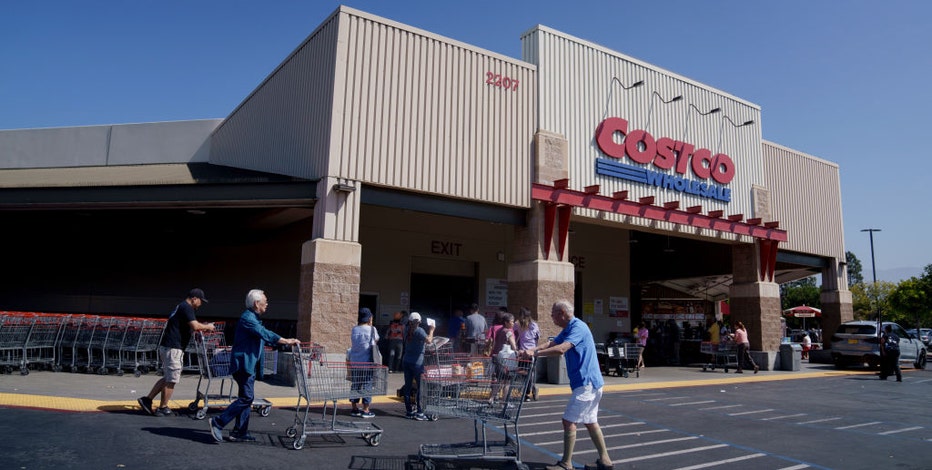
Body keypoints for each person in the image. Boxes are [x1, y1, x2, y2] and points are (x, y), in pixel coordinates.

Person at [525, 300, 612, 470]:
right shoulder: (569, 328)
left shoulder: (578, 327)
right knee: (590, 421)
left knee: (568, 421)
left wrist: (536, 355)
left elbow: (561, 349)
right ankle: (605, 460)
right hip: (589, 383)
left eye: (553, 314)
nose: (551, 317)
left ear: (562, 313)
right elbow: (553, 343)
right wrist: (533, 350)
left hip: (586, 383)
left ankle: (566, 463)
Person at [208, 289, 301, 442]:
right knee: (247, 398)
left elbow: (263, 335)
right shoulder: (248, 318)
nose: (267, 303)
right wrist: (286, 340)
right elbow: (264, 333)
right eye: (265, 300)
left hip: (247, 365)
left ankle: (239, 432)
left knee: (246, 397)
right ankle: (218, 422)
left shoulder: (253, 318)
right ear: (257, 303)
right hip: (243, 364)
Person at [139, 288, 215, 417]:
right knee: (172, 379)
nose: (201, 304)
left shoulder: (181, 307)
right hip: (173, 348)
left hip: (168, 347)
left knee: (168, 377)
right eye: (200, 301)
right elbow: (195, 326)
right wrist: (208, 326)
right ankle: (163, 407)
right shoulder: (187, 308)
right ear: (194, 298)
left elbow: (185, 326)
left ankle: (147, 400)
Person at [400, 311, 434, 421]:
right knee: (420, 387)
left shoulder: (406, 329)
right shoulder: (419, 331)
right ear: (419, 322)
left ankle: (409, 411)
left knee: (408, 386)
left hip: (406, 360)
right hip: (417, 362)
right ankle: (420, 412)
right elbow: (429, 340)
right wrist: (432, 330)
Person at [348, 307, 379, 418]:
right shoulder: (372, 329)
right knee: (367, 384)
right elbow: (375, 341)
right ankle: (366, 410)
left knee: (355, 384)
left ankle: (354, 408)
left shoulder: (354, 329)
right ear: (369, 318)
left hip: (355, 362)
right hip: (366, 363)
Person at [489, 312, 518, 404]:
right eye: (511, 322)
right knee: (507, 381)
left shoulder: (499, 331)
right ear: (506, 322)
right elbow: (514, 346)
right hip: (506, 360)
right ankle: (504, 401)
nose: (513, 323)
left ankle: (492, 398)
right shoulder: (508, 332)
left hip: (497, 357)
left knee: (498, 379)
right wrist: (517, 351)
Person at [516, 306, 540, 401]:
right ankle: (530, 389)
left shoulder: (518, 325)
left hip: (524, 352)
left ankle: (527, 392)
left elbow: (515, 336)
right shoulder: (534, 325)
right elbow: (537, 338)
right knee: (530, 373)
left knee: (525, 373)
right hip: (532, 351)